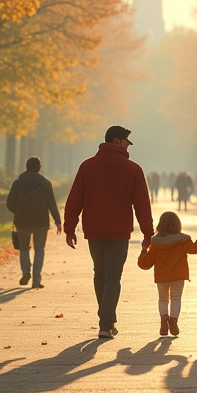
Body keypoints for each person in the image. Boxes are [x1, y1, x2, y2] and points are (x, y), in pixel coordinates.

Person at [64, 125, 154, 339]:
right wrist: (148, 233)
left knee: (100, 273)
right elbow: (142, 204)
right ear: (116, 141)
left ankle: (105, 320)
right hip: (118, 231)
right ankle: (106, 322)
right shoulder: (133, 169)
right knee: (114, 275)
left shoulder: (87, 166)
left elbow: (75, 199)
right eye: (125, 142)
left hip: (94, 230)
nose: (127, 146)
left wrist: (70, 228)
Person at [137, 211, 197, 336]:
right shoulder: (184, 240)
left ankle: (164, 319)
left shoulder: (155, 242)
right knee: (176, 298)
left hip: (161, 277)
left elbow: (146, 263)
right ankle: (173, 320)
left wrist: (144, 250)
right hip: (179, 275)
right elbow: (193, 249)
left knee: (163, 299)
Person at [7, 157, 62, 288]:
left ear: (26, 167)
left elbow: (9, 203)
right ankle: (36, 279)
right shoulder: (45, 183)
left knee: (24, 248)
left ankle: (26, 272)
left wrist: (18, 211)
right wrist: (58, 221)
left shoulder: (18, 183)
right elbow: (51, 204)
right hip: (41, 222)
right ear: (39, 167)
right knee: (39, 250)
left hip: (22, 221)